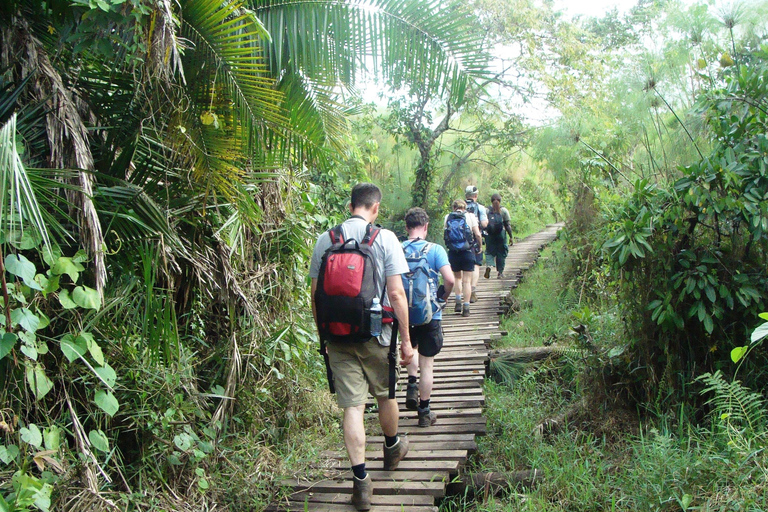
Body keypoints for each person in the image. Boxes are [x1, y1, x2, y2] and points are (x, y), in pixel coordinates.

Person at [309, 183, 414, 511]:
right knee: (385, 395)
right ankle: (392, 447)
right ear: (376, 208)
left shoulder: (325, 240)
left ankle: (361, 483)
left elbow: (315, 296)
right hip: (377, 335)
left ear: (350, 204)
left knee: (352, 408)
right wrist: (407, 341)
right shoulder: (385, 239)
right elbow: (396, 294)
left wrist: (322, 337)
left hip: (338, 338)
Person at [402, 208, 455, 427]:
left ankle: (411, 383)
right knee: (428, 364)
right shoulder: (435, 250)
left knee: (410, 347)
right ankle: (424, 412)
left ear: (407, 227)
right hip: (430, 314)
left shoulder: (397, 248)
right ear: (425, 227)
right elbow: (450, 280)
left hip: (404, 313)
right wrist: (442, 297)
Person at [444, 199, 482, 317]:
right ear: (465, 207)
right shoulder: (470, 216)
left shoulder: (447, 217)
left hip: (453, 252)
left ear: (453, 207)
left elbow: (446, 234)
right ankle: (466, 307)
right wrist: (479, 247)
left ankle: (457, 302)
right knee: (467, 280)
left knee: (457, 278)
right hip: (467, 251)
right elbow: (477, 234)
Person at [464, 186, 487, 304]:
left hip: (461, 242)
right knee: (476, 266)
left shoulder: (459, 207)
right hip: (475, 240)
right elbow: (484, 223)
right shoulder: (480, 208)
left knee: (464, 269)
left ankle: (462, 294)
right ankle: (472, 291)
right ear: (476, 195)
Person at [484, 193, 514, 279]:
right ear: (500, 201)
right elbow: (507, 225)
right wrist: (511, 237)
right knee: (501, 253)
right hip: (501, 235)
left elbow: (483, 223)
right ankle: (500, 273)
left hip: (489, 236)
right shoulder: (504, 211)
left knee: (489, 251)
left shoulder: (487, 211)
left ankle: (489, 265)